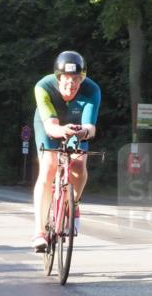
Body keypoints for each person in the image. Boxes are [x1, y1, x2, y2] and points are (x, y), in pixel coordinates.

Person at [31, 51, 101, 252]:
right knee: (49, 167)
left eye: (76, 80)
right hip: (49, 124)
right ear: (58, 77)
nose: (71, 84)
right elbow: (51, 128)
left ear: (82, 79)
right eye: (66, 79)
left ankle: (73, 204)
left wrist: (82, 132)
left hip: (77, 128)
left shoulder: (92, 90)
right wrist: (61, 131)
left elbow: (91, 128)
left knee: (78, 163)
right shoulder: (43, 87)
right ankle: (39, 232)